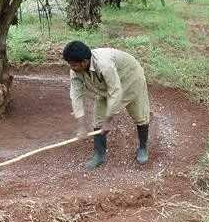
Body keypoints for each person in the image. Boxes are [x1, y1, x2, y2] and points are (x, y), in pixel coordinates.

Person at [63, 40, 150, 169]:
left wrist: (108, 120)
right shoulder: (75, 70)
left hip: (130, 78)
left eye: (74, 65)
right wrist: (81, 125)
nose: (72, 68)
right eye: (70, 64)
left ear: (85, 61)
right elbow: (76, 95)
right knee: (98, 121)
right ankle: (99, 155)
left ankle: (143, 148)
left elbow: (115, 92)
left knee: (140, 116)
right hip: (105, 87)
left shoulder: (104, 64)